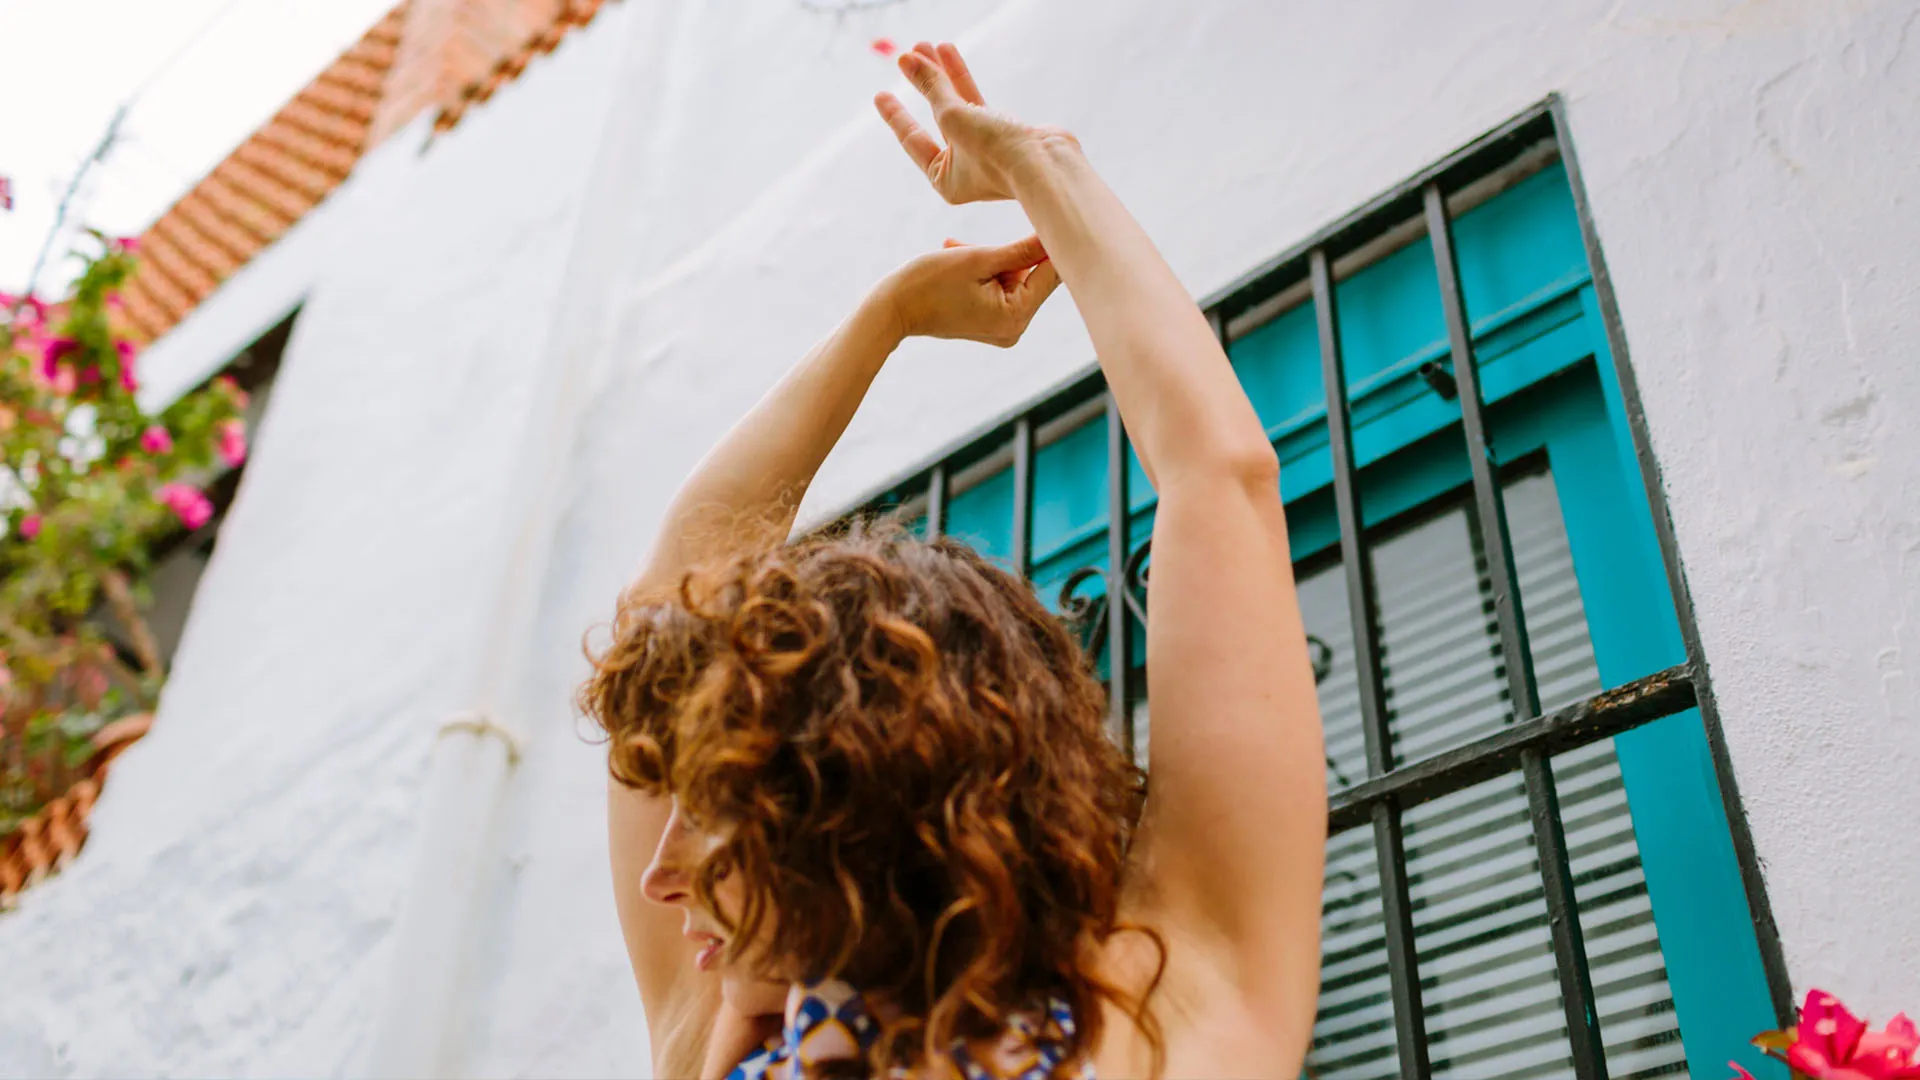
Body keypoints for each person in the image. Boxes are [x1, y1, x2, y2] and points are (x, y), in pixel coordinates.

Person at [582, 42, 1327, 1080]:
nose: (662, 874)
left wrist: (1027, 181)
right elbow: (1219, 477)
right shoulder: (1163, 1019)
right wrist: (929, 275)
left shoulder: (718, 1045)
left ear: (848, 798)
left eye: (715, 807)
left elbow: (1224, 482)